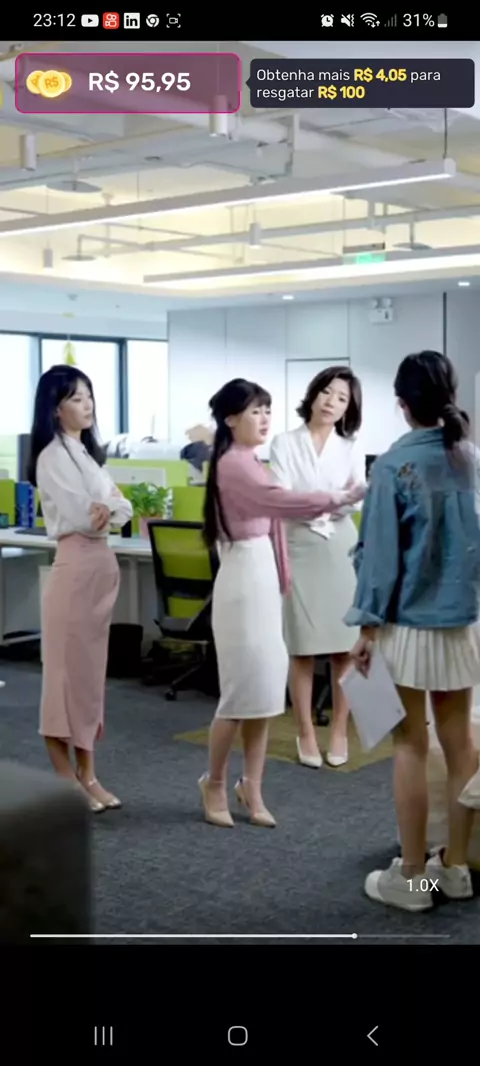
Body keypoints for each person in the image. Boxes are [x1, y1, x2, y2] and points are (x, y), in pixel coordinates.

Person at [345, 350, 480, 911]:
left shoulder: (394, 466)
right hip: (463, 624)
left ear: (402, 405)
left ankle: (414, 880)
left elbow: (379, 560)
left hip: (409, 625)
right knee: (460, 742)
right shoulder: (469, 459)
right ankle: (456, 869)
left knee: (410, 745)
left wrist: (365, 628)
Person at [199, 378, 365, 828]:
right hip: (244, 581)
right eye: (255, 411)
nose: (264, 418)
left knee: (266, 694)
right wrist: (341, 497)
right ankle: (214, 782)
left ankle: (251, 787)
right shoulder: (235, 464)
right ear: (230, 419)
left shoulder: (250, 460)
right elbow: (281, 501)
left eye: (267, 410)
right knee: (240, 694)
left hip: (264, 576)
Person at [28, 365, 133, 813]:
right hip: (74, 572)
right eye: (76, 397)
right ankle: (64, 777)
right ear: (55, 408)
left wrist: (109, 508)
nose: (87, 405)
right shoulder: (51, 457)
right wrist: (107, 508)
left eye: (89, 395)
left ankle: (89, 774)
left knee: (89, 682)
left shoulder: (88, 455)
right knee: (64, 680)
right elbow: (80, 515)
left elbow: (122, 507)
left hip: (99, 572)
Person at [269, 366, 366, 769]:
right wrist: (331, 499)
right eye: (327, 392)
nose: (331, 402)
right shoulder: (284, 442)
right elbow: (281, 497)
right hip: (299, 545)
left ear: (348, 409)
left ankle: (340, 730)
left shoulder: (350, 447)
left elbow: (358, 496)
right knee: (302, 648)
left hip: (341, 546)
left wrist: (318, 500)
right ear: (313, 394)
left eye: (341, 398)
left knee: (345, 648)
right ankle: (305, 731)